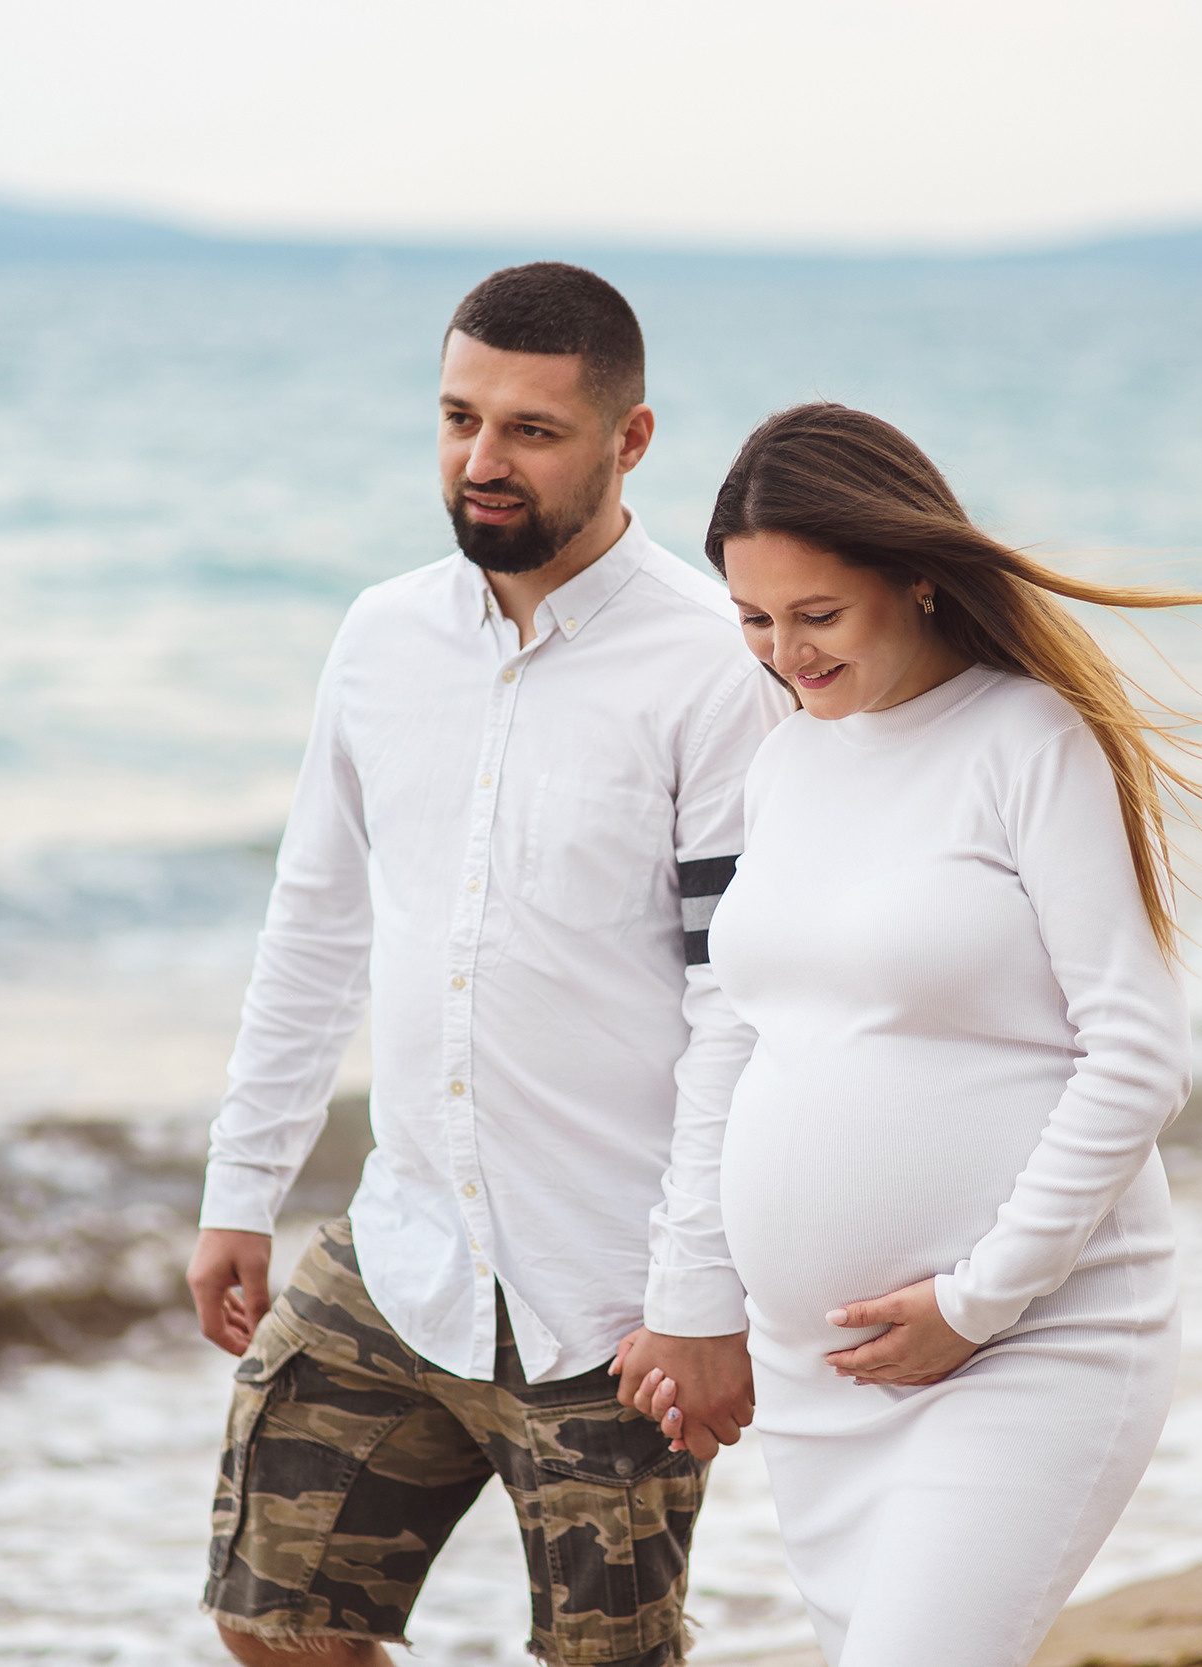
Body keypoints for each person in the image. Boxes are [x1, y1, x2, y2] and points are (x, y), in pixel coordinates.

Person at [185, 263, 791, 1667]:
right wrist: (242, 1183)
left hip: (610, 1300)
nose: (482, 460)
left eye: (532, 428)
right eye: (459, 417)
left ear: (630, 441)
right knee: (271, 1619)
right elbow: (316, 920)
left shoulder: (716, 666)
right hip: (405, 1252)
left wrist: (698, 1294)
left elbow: (738, 1001)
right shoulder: (380, 636)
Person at [635, 403, 1202, 1667]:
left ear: (913, 576)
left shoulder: (1026, 740)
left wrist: (978, 1302)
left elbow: (1139, 1052)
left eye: (818, 615)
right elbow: (743, 1037)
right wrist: (693, 1283)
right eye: (754, 620)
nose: (785, 654)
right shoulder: (789, 762)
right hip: (823, 1377)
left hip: (1033, 1341)